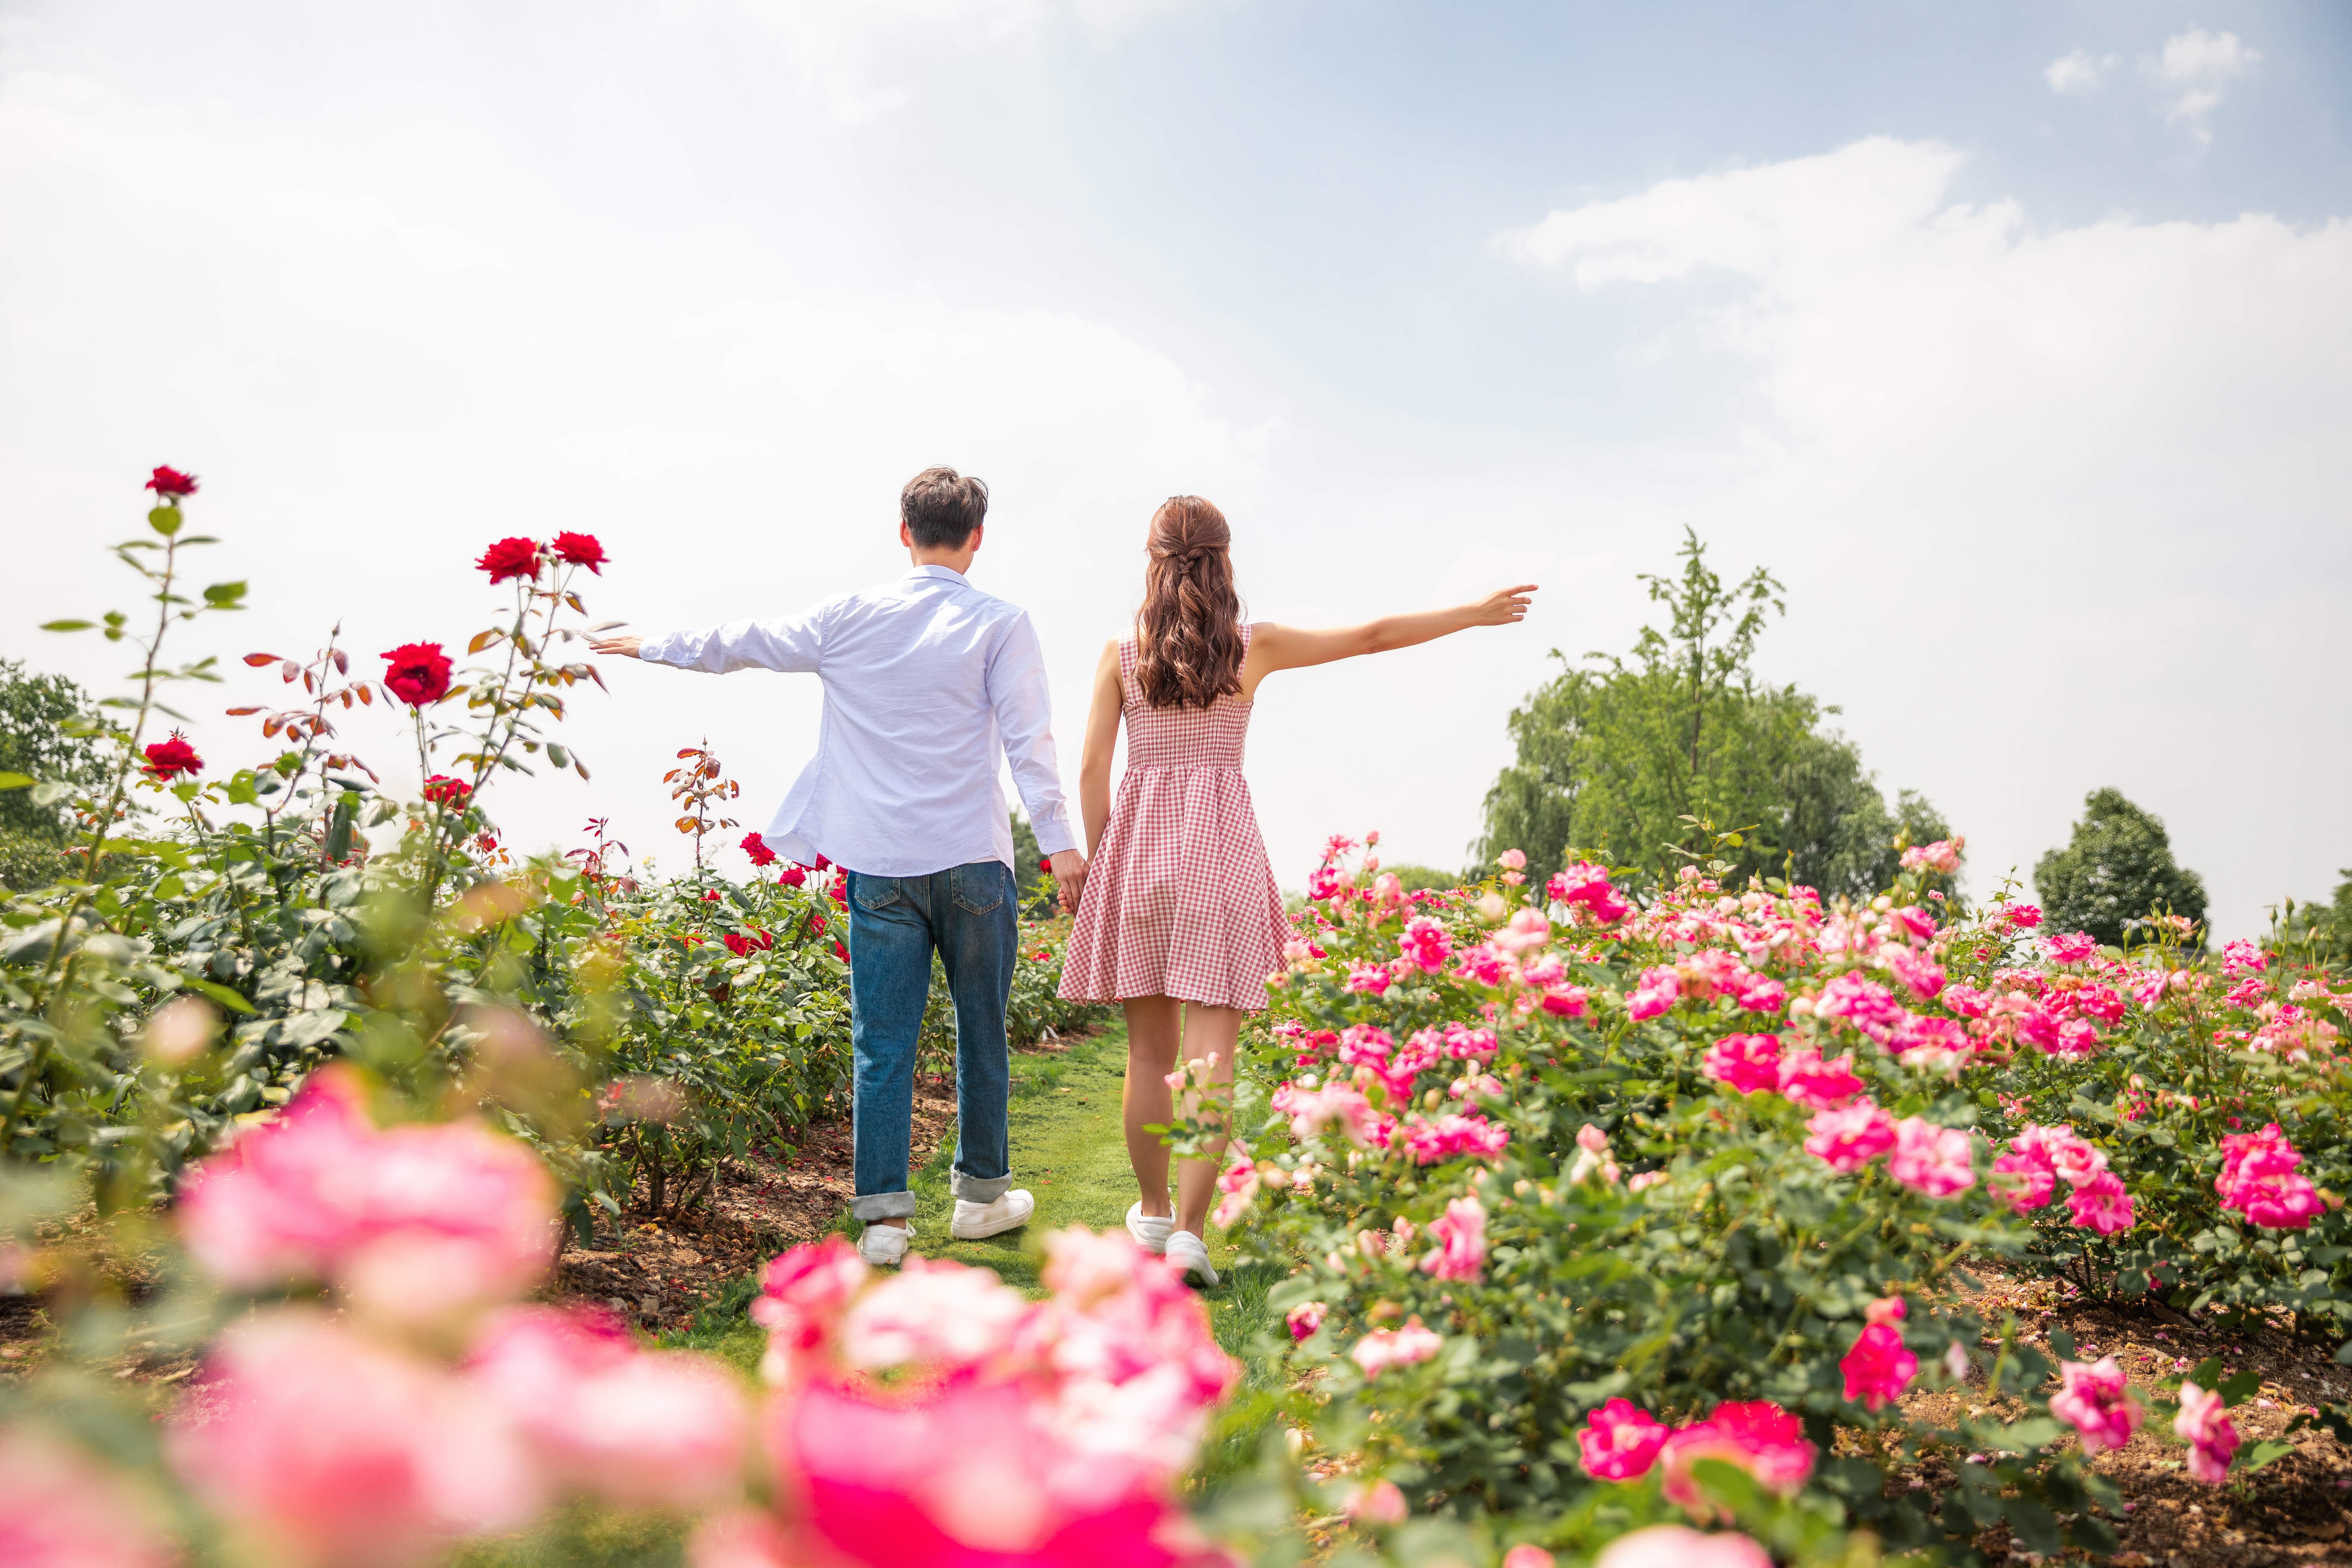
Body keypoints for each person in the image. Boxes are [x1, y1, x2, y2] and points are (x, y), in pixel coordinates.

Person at [590, 467, 1087, 1269]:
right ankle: (980, 1200)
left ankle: (884, 1225)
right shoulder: (1002, 622)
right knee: (981, 1033)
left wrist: (650, 644)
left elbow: (739, 642)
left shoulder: (847, 618)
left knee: (881, 1043)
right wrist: (1062, 846)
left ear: (902, 531)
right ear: (976, 538)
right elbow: (1032, 745)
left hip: (881, 865)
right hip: (971, 861)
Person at [1058, 495, 1535, 1285]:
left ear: (1152, 559)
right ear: (1223, 558)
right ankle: (1191, 1232)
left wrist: (1104, 858)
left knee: (1148, 1051)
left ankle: (1150, 1212)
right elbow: (1374, 636)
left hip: (1139, 855)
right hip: (1219, 857)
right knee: (1211, 1059)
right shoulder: (1254, 646)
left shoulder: (1121, 652)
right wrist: (1472, 615)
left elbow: (1089, 770)